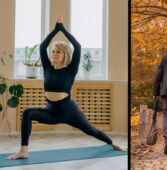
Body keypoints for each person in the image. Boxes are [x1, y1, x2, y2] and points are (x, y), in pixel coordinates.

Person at [6, 16, 123, 160]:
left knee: (91, 131)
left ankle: (112, 143)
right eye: (53, 51)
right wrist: (55, 30)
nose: (54, 54)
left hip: (69, 112)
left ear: (65, 54)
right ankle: (23, 151)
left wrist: (62, 30)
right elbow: (43, 47)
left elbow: (78, 47)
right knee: (27, 113)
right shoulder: (47, 68)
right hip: (51, 112)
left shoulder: (70, 69)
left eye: (58, 52)